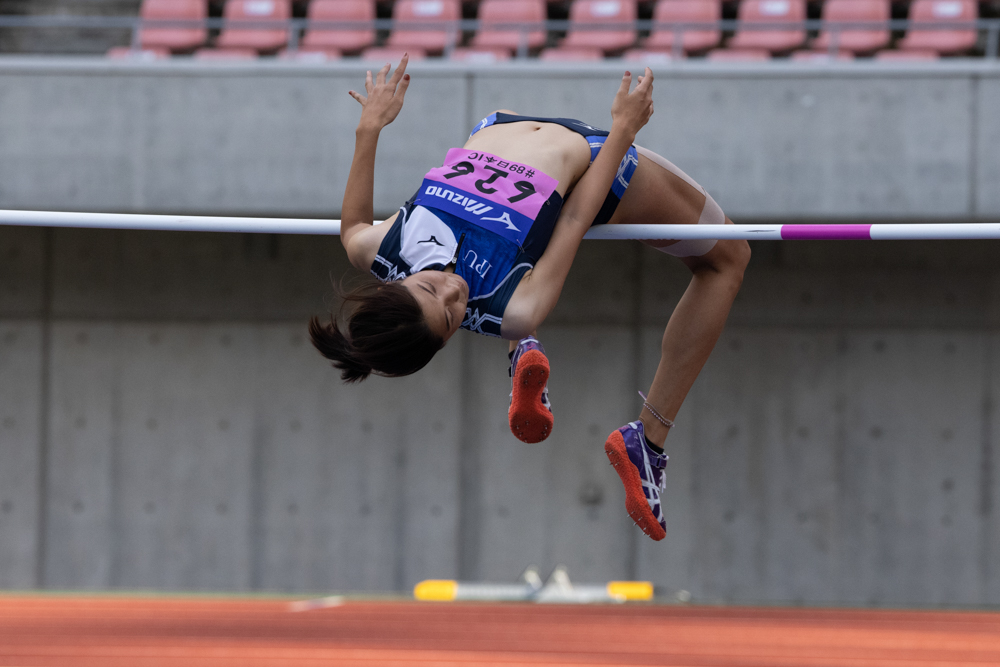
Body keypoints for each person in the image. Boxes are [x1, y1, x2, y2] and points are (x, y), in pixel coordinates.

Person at [310, 56, 750, 542]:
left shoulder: (380, 247)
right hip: (590, 158)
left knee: (505, 297)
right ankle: (648, 440)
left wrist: (369, 127)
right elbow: (573, 219)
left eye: (431, 287)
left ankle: (523, 352)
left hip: (500, 128)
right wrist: (622, 131)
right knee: (729, 257)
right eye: (454, 317)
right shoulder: (518, 307)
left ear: (395, 283)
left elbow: (351, 225)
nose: (454, 292)